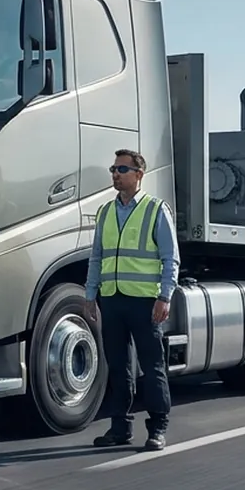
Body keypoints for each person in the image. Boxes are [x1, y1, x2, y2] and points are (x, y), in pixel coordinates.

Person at [84, 148, 180, 451]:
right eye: (113, 169)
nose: (115, 174)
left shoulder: (155, 209)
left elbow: (170, 258)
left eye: (122, 169)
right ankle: (120, 428)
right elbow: (96, 258)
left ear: (139, 175)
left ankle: (158, 428)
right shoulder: (105, 212)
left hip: (144, 302)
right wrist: (90, 295)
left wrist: (165, 297)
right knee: (118, 366)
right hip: (112, 300)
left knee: (152, 367)